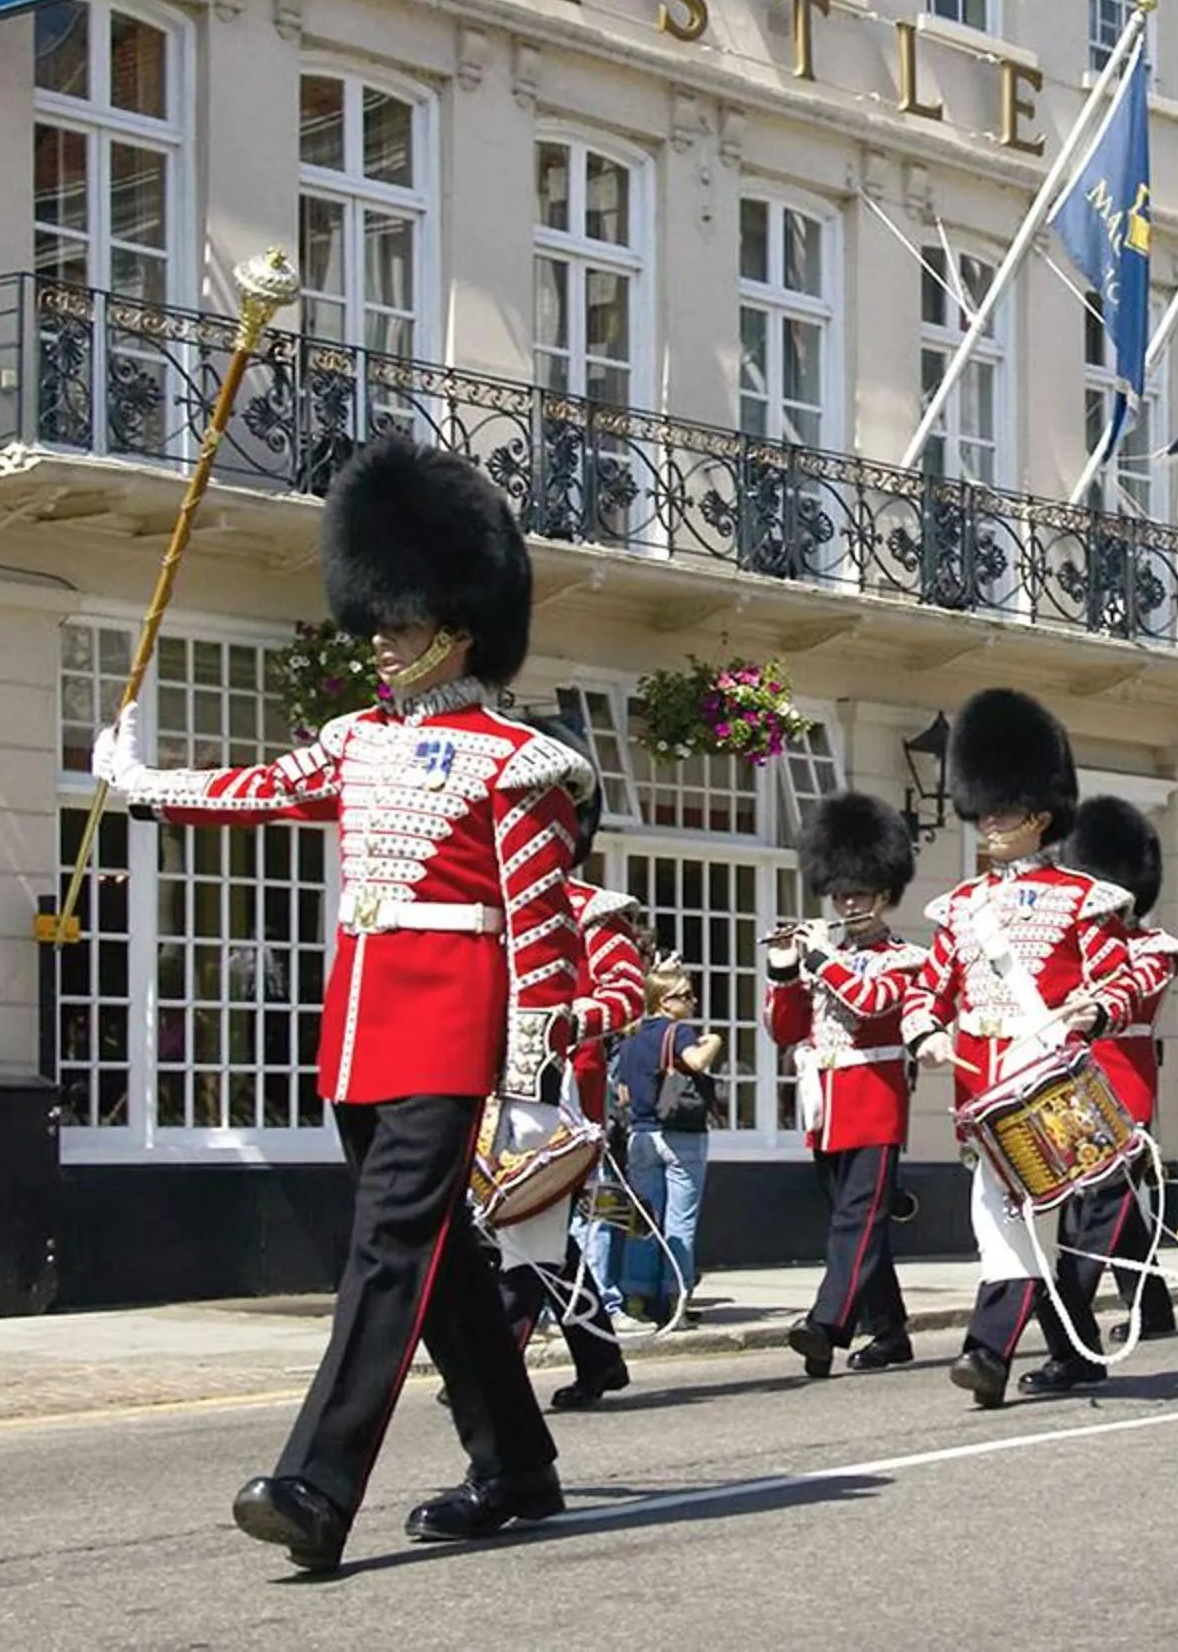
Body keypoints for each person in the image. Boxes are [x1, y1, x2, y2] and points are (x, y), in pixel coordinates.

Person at [92, 435, 589, 1574]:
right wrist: (144, 785)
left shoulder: (514, 762)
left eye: (401, 624)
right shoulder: (358, 741)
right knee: (439, 1261)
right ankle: (518, 1461)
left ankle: (319, 1484)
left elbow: (541, 920)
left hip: (452, 1023)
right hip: (362, 1028)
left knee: (382, 1254)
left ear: (456, 630)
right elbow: (259, 792)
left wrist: (528, 1077)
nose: (381, 641)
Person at [901, 689, 1133, 1409]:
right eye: (986, 809)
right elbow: (928, 991)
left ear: (1039, 816)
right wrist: (927, 1033)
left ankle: (987, 1352)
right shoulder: (960, 907)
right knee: (1016, 1219)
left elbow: (1120, 978)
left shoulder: (1081, 898)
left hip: (1048, 1086)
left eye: (1005, 811)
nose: (991, 822)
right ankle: (1074, 1351)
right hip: (979, 1089)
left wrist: (1092, 1010)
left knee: (1008, 1218)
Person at [494, 710, 647, 1410]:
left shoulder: (591, 910)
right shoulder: (486, 909)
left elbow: (625, 996)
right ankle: (599, 1357)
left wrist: (569, 1021)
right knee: (537, 1230)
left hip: (559, 1091)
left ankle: (494, 1362)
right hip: (489, 1090)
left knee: (529, 1232)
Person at [1024, 794, 1178, 1389]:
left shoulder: (1153, 947)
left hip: (1122, 1081)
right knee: (1104, 1209)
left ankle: (1072, 1331)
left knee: (1099, 1209)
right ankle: (1145, 1306)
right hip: (1070, 1084)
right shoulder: (1076, 942)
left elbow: (1130, 999)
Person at [770, 790, 922, 1379]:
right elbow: (786, 1029)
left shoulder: (906, 958)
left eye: (858, 893)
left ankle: (827, 1324)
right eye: (840, 894)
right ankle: (889, 1331)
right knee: (857, 1223)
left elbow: (872, 1004)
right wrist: (784, 969)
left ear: (882, 895)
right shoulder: (823, 954)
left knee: (855, 1221)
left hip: (875, 1101)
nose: (847, 903)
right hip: (825, 1106)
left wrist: (820, 963)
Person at [610, 961, 724, 1325]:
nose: (692, 1002)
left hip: (640, 1135)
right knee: (680, 1221)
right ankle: (675, 1300)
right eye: (685, 996)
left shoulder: (630, 1039)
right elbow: (697, 1061)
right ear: (663, 1001)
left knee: (644, 1220)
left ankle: (636, 1299)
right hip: (680, 1136)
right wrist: (715, 1040)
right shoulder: (679, 1032)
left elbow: (623, 1092)